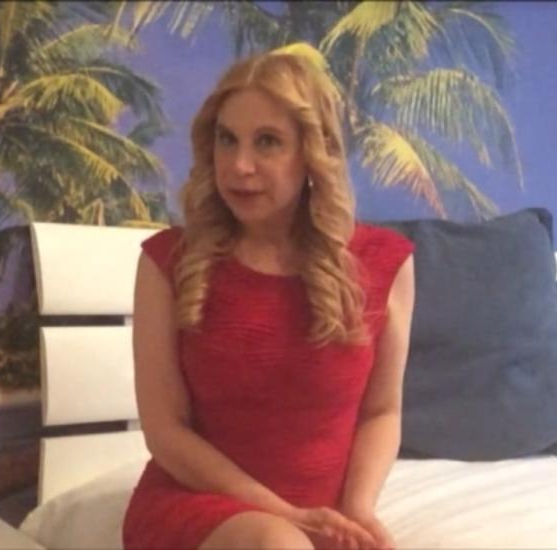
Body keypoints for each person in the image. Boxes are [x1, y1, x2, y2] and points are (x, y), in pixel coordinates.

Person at [122, 44, 415, 550]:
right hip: (198, 505)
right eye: (227, 139)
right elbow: (166, 433)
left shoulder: (385, 262)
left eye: (267, 142)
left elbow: (381, 412)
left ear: (311, 153)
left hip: (324, 516)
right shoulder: (167, 263)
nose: (240, 165)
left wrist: (357, 511)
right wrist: (286, 516)